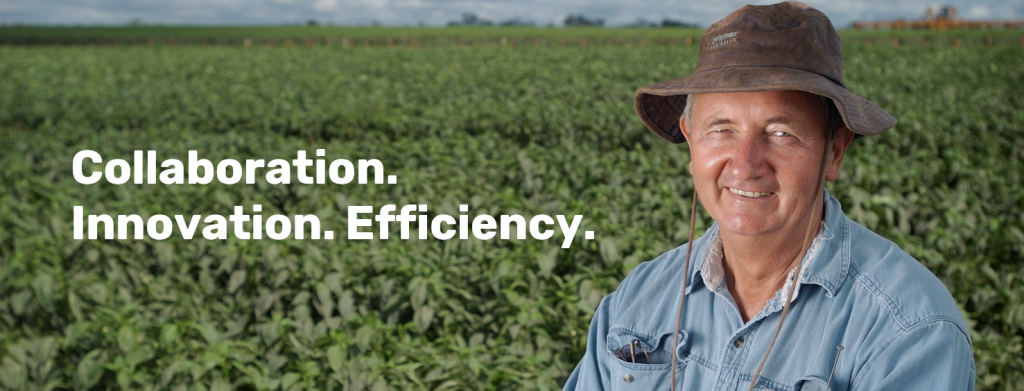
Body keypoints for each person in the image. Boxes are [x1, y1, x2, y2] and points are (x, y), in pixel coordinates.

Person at [562, 2, 975, 390]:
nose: (744, 164)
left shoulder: (909, 331)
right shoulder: (640, 297)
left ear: (834, 151)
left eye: (781, 133)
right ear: (691, 142)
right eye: (721, 130)